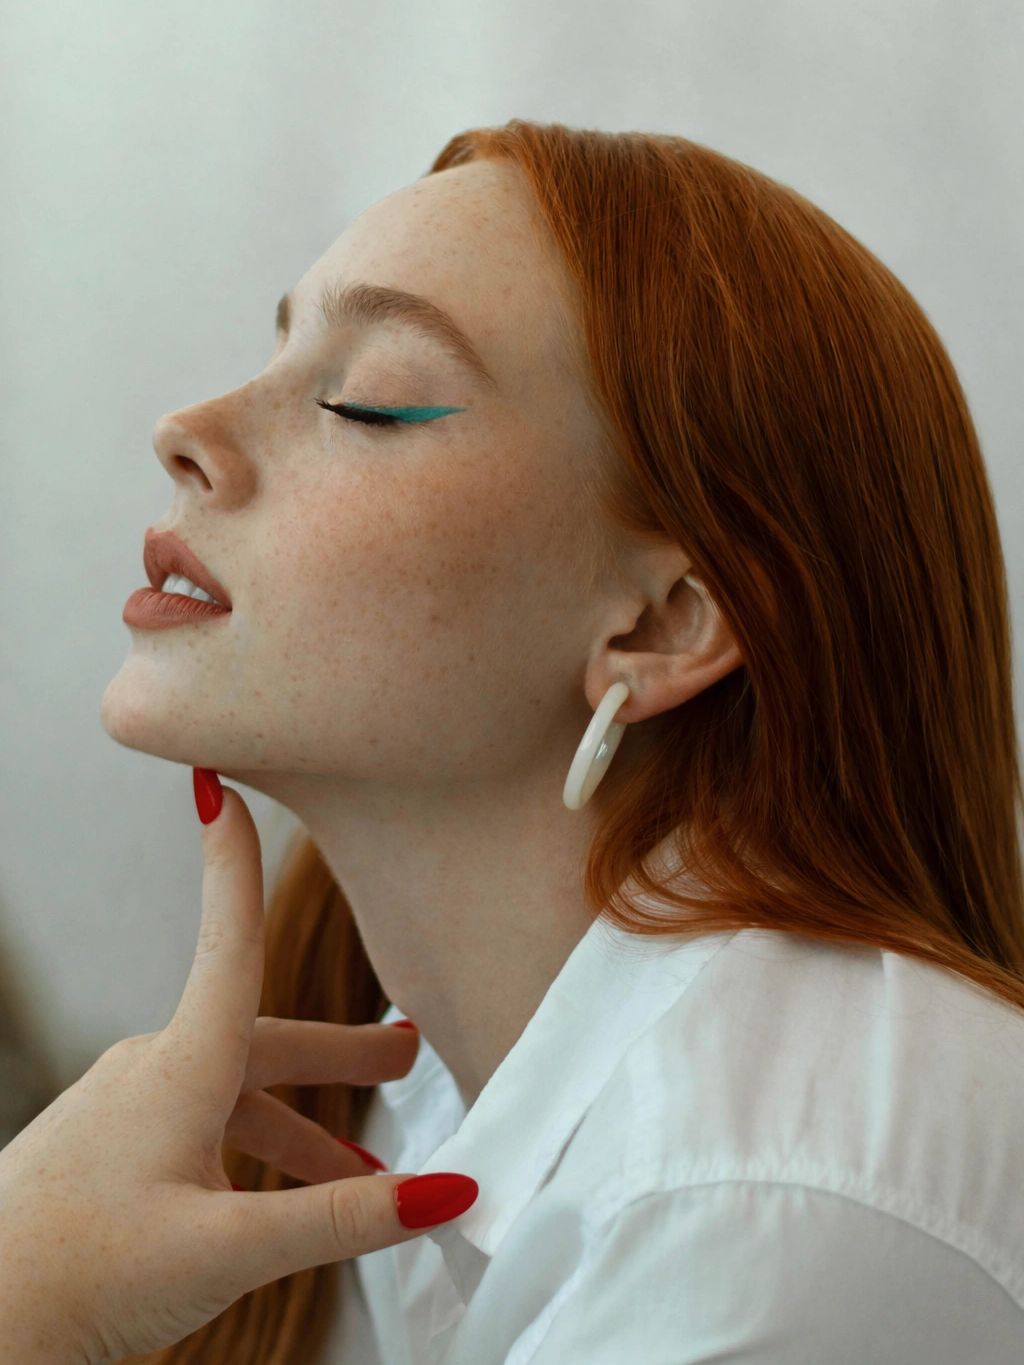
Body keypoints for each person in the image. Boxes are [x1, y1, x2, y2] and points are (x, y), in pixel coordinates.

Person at [7, 118, 1024, 1362]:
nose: (186, 428)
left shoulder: (770, 1203)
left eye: (366, 401)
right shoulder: (403, 1107)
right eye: (275, 351)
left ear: (660, 622)